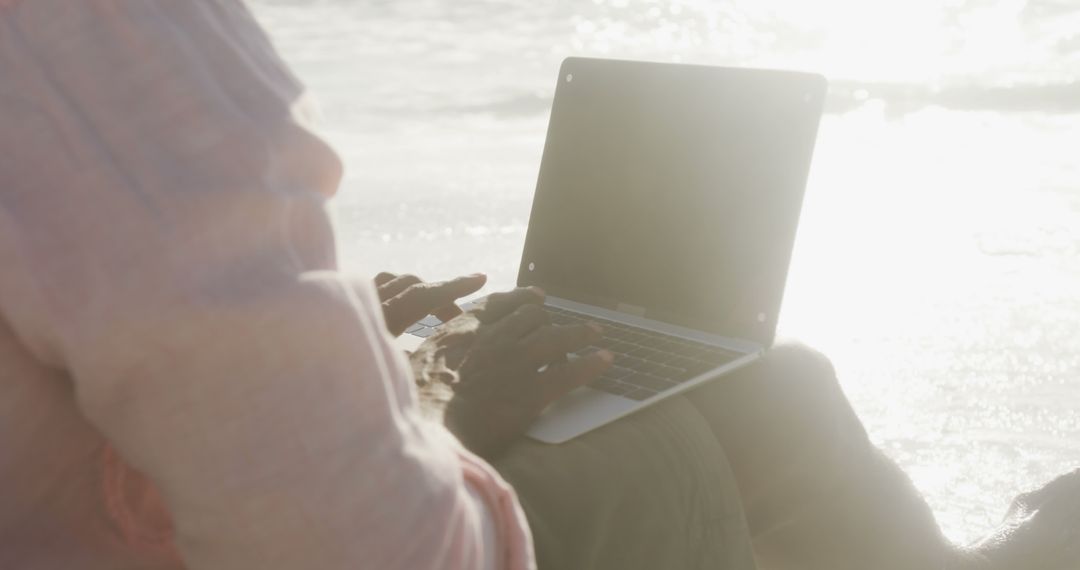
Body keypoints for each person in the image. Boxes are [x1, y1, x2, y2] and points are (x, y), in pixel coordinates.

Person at [0, 2, 1075, 570]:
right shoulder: (100, 43)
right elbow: (366, 552)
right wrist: (463, 425)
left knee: (759, 380)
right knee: (687, 425)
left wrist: (344, 355)